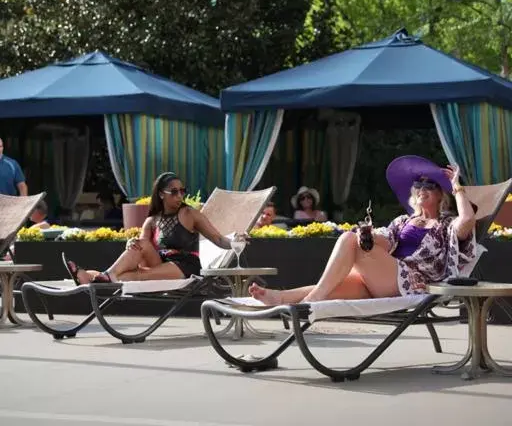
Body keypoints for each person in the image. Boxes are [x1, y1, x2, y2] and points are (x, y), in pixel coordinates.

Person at [250, 156, 476, 305]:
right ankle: (280, 298)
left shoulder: (445, 225)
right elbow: (384, 242)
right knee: (330, 286)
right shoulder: (403, 221)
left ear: (440, 195)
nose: (422, 189)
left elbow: (467, 219)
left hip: (411, 283)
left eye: (429, 186)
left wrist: (457, 186)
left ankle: (311, 301)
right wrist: (367, 234)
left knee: (347, 239)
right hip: (384, 280)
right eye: (418, 185)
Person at [63, 172, 238, 284]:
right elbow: (140, 251)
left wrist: (235, 242)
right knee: (140, 243)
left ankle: (93, 277)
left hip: (184, 265)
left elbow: (218, 239)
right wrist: (131, 243)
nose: (180, 196)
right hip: (159, 262)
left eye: (182, 191)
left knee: (134, 275)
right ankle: (100, 276)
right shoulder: (152, 220)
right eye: (174, 192)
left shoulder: (190, 214)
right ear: (161, 194)